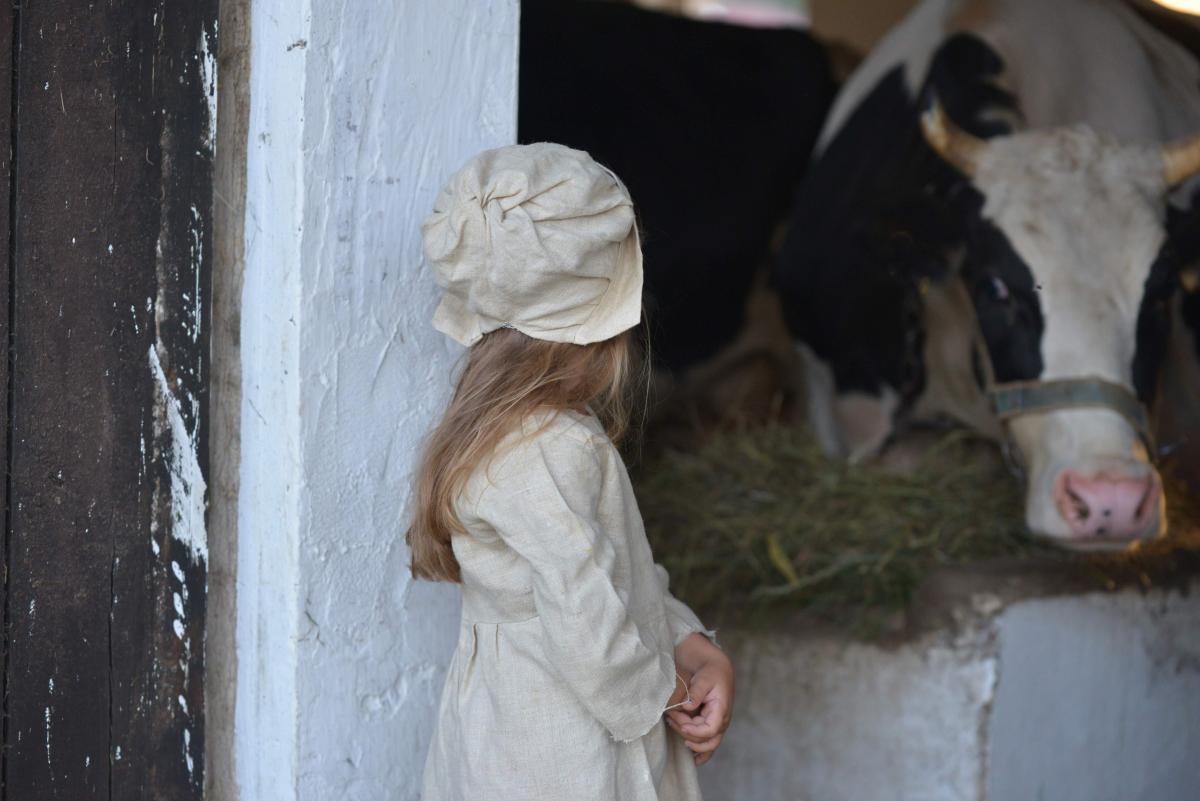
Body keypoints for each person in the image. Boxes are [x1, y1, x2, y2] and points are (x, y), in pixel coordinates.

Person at [409, 142, 735, 801]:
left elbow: (614, 573)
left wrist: (686, 636)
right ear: (604, 322)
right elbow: (593, 628)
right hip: (566, 755)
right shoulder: (551, 447)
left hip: (507, 735)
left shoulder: (503, 431)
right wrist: (668, 687)